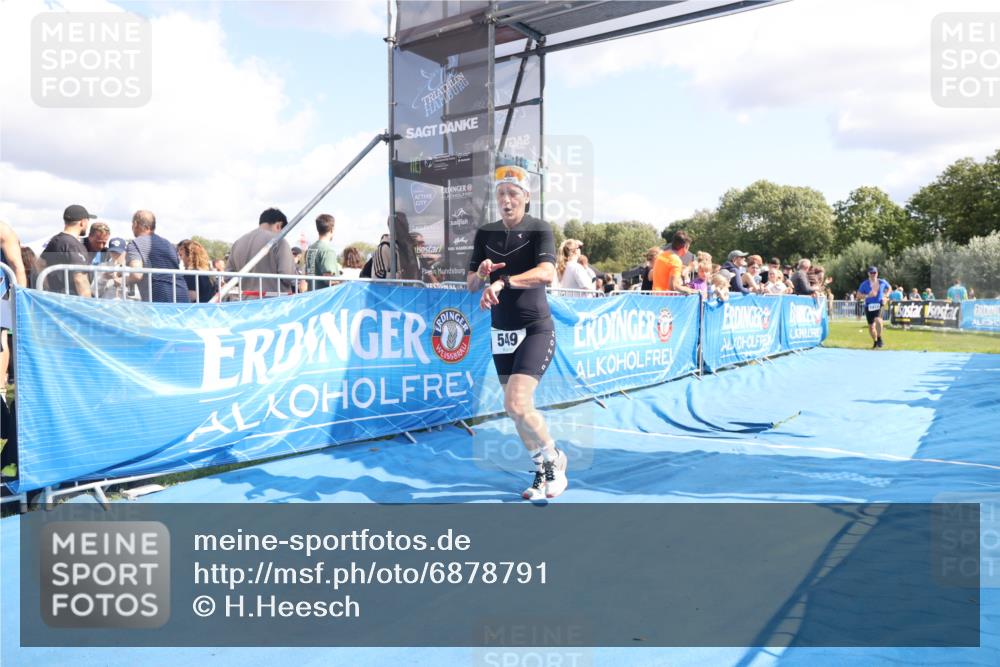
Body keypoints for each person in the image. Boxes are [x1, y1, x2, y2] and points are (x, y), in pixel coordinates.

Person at [468, 164, 565, 500]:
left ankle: (555, 458)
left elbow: (547, 272)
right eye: (500, 194)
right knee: (514, 409)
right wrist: (481, 273)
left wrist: (503, 281)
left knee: (517, 401)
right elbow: (470, 284)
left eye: (512, 194)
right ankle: (541, 469)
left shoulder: (539, 229)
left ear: (526, 196)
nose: (506, 200)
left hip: (535, 327)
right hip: (502, 331)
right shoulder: (486, 234)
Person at [226, 208, 299, 297]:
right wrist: (300, 281)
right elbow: (288, 276)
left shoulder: (238, 243)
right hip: (274, 304)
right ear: (278, 226)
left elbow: (228, 277)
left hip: (245, 304)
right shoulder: (279, 241)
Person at [126, 210, 189, 303]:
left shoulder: (135, 244)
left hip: (159, 299)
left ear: (135, 224)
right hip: (182, 295)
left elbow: (136, 275)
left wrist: (122, 280)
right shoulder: (168, 244)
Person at [40, 204, 95, 296]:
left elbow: (40, 264)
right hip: (72, 302)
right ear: (83, 222)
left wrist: (49, 288)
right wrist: (88, 305)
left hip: (56, 298)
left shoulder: (55, 240)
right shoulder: (73, 245)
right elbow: (80, 278)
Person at [371, 213, 421, 280]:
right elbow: (378, 275)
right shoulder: (384, 248)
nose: (407, 228)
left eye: (407, 225)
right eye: (403, 225)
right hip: (393, 290)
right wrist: (401, 276)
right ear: (393, 227)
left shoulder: (407, 247)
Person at [856, 266, 891, 349]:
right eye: (871, 273)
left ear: (877, 273)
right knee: (871, 327)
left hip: (879, 304)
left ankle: (879, 338)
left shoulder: (882, 282)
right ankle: (875, 341)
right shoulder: (864, 284)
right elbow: (858, 295)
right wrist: (868, 295)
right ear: (868, 274)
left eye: (874, 273)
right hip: (869, 306)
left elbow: (889, 288)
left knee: (878, 320)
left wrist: (886, 296)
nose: (873, 274)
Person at [304, 213, 341, 289]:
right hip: (325, 297)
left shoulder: (310, 248)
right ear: (332, 229)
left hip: (312, 295)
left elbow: (308, 275)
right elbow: (330, 279)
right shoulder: (328, 250)